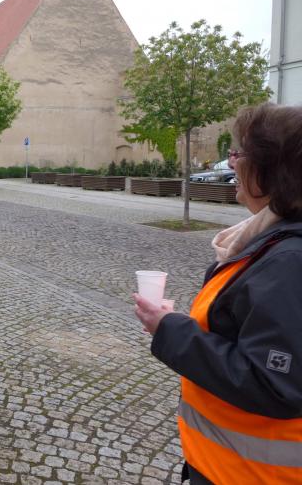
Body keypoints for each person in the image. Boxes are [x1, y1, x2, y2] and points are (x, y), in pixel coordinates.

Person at [134, 102, 302, 484]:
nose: (231, 163)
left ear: (271, 170)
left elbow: (273, 382)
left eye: (239, 153)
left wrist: (170, 329)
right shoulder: (271, 242)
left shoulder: (289, 262)